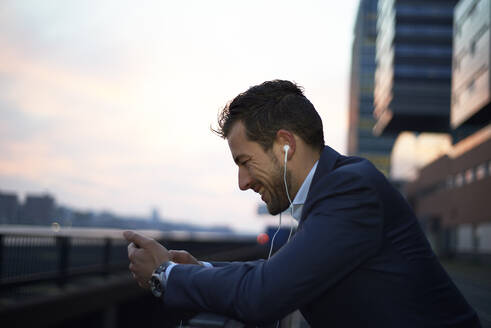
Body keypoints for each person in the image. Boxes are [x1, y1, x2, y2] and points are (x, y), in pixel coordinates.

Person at [124, 80, 481, 327]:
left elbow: (264, 295)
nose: (242, 183)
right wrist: (198, 268)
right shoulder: (333, 191)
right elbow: (274, 274)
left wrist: (165, 275)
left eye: (245, 162)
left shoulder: (352, 191)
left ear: (285, 145)